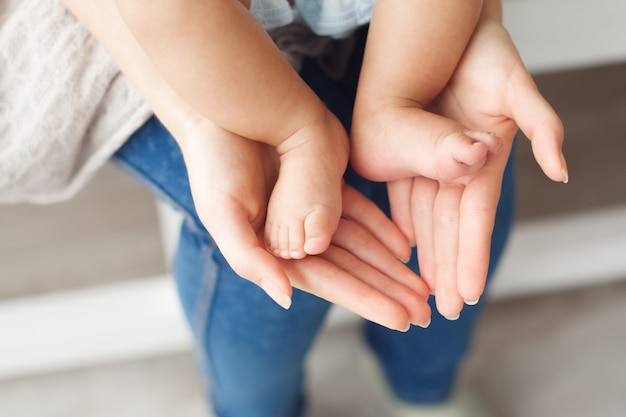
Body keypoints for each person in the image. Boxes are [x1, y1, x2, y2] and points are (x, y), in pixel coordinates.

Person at [0, 1, 566, 417]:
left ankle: (423, 381)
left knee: (458, 191)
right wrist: (278, 127)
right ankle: (254, 409)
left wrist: (476, 25)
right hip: (151, 30)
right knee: (265, 256)